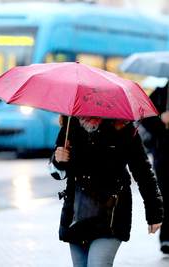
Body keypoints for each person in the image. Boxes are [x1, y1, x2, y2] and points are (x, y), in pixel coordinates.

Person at [49, 115, 163, 267]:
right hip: (77, 211)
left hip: (111, 212)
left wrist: (154, 213)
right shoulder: (71, 125)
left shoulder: (124, 127)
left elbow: (143, 172)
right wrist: (58, 160)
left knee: (98, 264)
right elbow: (57, 173)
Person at [142, 82, 169, 253]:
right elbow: (146, 119)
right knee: (165, 195)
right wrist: (161, 119)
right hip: (164, 156)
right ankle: (166, 238)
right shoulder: (160, 94)